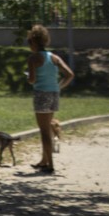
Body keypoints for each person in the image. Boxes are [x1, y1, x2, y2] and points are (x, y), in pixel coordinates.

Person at [25, 24, 74, 173]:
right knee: (48, 127)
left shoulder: (33, 58)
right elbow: (69, 74)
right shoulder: (54, 57)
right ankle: (44, 160)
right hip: (54, 94)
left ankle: (50, 164)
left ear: (33, 42)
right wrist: (59, 86)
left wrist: (28, 77)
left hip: (41, 94)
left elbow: (32, 80)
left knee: (44, 130)